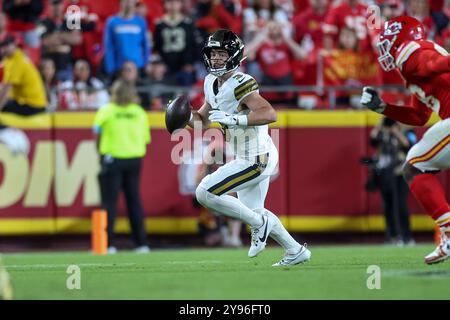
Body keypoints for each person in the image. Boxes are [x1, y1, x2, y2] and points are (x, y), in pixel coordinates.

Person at [187, 29, 311, 266]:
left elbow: (269, 113)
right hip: (249, 155)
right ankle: (295, 250)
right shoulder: (210, 82)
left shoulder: (241, 82)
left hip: (255, 157)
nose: (216, 59)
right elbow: (202, 120)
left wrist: (235, 119)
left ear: (234, 55)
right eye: (213, 54)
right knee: (254, 211)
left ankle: (258, 225)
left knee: (205, 192)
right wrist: (183, 118)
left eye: (222, 54)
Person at [361, 16, 450, 264]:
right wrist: (383, 108)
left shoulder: (413, 54)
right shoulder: (414, 64)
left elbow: (433, 64)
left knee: (415, 164)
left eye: (387, 42)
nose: (384, 49)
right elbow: (419, 116)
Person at [93, 79, 151, 254]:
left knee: (109, 203)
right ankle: (141, 244)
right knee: (134, 201)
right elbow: (145, 139)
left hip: (112, 159)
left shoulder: (106, 111)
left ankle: (106, 244)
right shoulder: (139, 112)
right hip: (134, 159)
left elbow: (96, 132)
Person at [370, 117, 416, 246]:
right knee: (388, 206)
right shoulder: (383, 133)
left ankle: (407, 236)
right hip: (386, 173)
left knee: (401, 205)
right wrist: (379, 125)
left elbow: (409, 145)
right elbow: (372, 140)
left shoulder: (408, 131)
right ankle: (392, 236)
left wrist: (396, 132)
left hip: (400, 173)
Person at [103, 0, 151, 79]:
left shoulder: (141, 22)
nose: (128, 3)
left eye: (131, 1)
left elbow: (146, 45)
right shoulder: (112, 22)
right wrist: (110, 67)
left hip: (138, 67)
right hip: (118, 68)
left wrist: (145, 63)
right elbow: (108, 47)